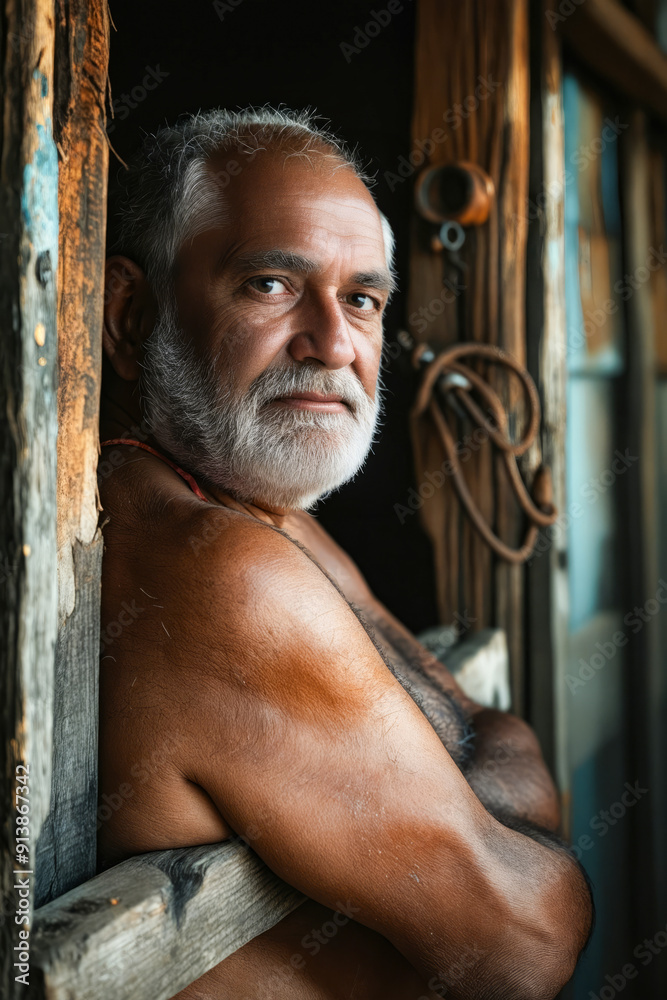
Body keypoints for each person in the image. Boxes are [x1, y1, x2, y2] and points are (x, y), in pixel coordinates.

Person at [97, 108, 593, 1000]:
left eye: (361, 298)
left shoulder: (255, 508)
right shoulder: (218, 567)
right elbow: (527, 940)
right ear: (131, 315)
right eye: (269, 285)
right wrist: (495, 752)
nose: (334, 345)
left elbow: (488, 732)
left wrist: (488, 744)